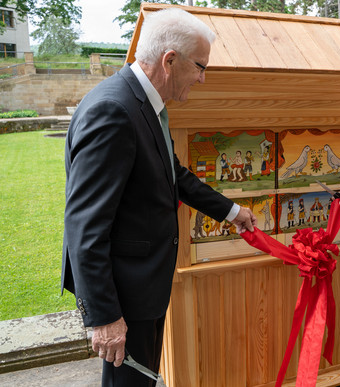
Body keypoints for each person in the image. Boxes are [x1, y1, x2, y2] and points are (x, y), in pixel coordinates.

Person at [61, 8, 257, 387]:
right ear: (170, 60)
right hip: (125, 297)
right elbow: (84, 225)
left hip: (144, 285)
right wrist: (103, 316)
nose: (202, 78)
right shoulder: (114, 111)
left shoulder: (143, 104)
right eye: (200, 67)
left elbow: (173, 174)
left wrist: (231, 211)